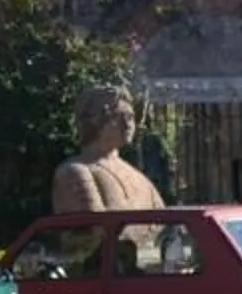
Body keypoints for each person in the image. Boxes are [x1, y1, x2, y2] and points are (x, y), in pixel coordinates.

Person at [51, 85, 163, 215]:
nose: (128, 125)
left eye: (130, 118)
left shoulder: (140, 179)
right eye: (118, 117)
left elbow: (165, 226)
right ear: (95, 120)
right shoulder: (74, 172)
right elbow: (95, 227)